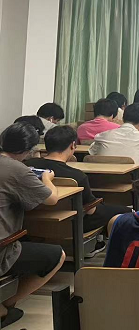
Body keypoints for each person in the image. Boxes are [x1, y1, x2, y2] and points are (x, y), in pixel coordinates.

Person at [0, 122, 65, 327]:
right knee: (57, 255)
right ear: (28, 150)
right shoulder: (17, 169)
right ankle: (4, 307)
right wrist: (47, 178)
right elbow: (51, 199)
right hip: (1, 247)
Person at [29, 125, 130, 234]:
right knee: (125, 212)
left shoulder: (27, 167)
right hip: (70, 228)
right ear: (72, 145)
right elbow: (91, 210)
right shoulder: (77, 176)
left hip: (32, 225)